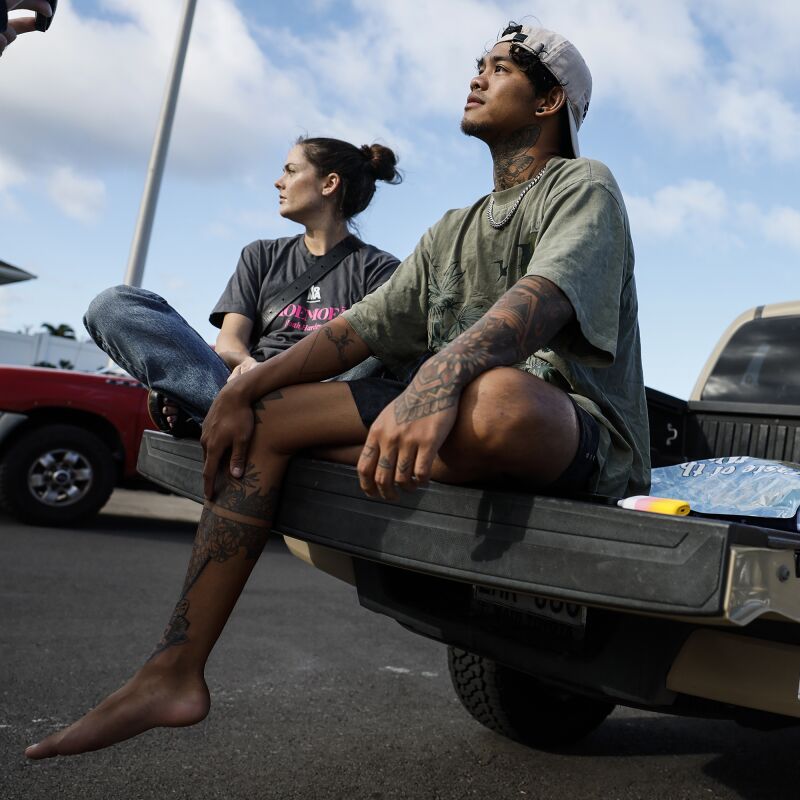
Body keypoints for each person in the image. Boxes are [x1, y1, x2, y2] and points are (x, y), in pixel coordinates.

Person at [26, 22, 649, 760]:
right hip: (444, 425)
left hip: (565, 432)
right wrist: (246, 384)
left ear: (549, 101)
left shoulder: (584, 185)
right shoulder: (453, 229)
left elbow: (541, 301)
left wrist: (435, 383)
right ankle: (173, 669)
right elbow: (357, 332)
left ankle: (319, 445)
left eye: (500, 68)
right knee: (263, 416)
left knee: (497, 401)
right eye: (476, 62)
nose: (476, 76)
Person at [83, 137, 403, 435]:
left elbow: (369, 358)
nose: (279, 182)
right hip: (245, 385)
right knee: (112, 306)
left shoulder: (380, 268)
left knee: (392, 330)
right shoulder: (260, 254)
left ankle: (215, 411)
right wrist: (251, 369)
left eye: (291, 171)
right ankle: (243, 414)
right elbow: (230, 344)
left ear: (329, 184)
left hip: (325, 396)